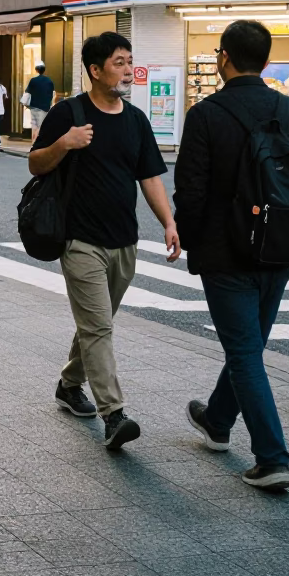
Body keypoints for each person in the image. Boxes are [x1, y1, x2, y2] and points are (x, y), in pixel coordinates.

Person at [175, 20, 289, 490]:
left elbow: (191, 191)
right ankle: (217, 420)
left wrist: (192, 241)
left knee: (244, 352)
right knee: (248, 345)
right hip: (278, 249)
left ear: (224, 58)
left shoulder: (206, 114)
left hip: (225, 252)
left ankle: (272, 457)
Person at [30, 32, 177, 451]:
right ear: (95, 70)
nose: (128, 69)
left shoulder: (134, 120)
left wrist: (168, 222)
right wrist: (64, 142)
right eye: (118, 62)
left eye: (130, 61)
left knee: (97, 323)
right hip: (80, 241)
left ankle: (68, 383)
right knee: (98, 327)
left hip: (124, 242)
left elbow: (149, 176)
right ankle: (114, 414)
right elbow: (35, 164)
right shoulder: (68, 113)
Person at [25, 61, 55, 142]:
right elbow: (52, 94)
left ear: (36, 70)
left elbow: (27, 92)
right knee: (40, 127)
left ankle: (33, 143)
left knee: (34, 126)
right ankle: (35, 144)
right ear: (44, 70)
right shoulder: (49, 81)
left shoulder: (33, 80)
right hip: (44, 108)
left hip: (33, 107)